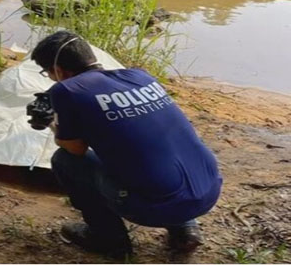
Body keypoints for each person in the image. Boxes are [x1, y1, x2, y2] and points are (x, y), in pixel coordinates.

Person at [30, 31, 222, 259]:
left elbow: (74, 148)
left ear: (58, 71)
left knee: (65, 161)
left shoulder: (66, 90)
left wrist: (53, 123)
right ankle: (185, 228)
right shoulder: (140, 76)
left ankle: (107, 239)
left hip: (152, 208)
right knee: (151, 149)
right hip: (209, 190)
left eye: (48, 73)